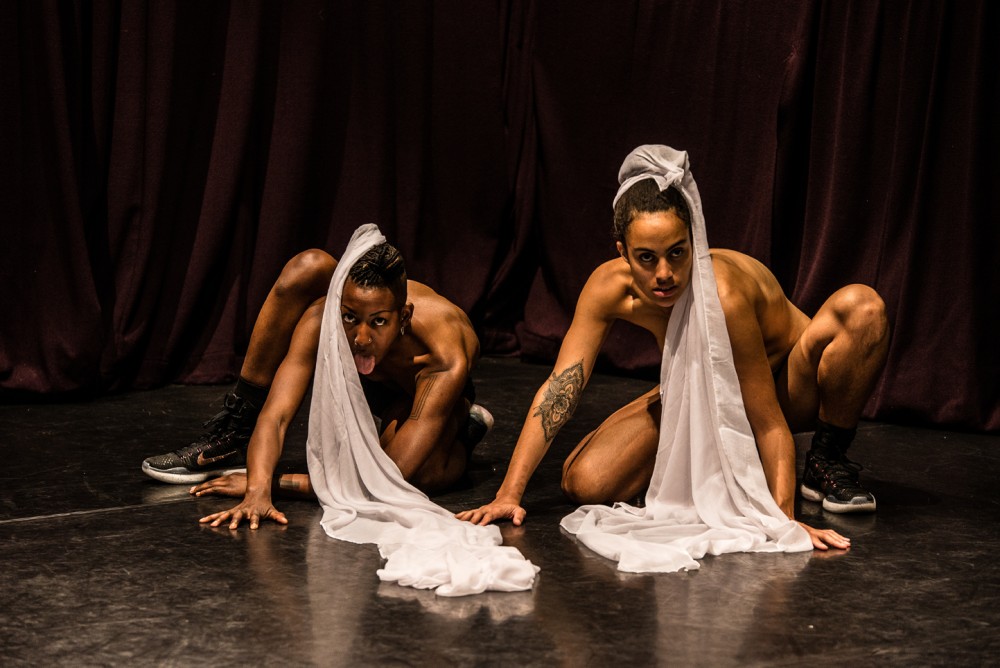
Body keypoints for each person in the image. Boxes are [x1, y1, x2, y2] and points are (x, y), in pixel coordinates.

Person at [457, 146, 889, 551]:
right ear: (622, 252)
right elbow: (560, 389)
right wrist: (508, 494)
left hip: (785, 389)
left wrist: (781, 521)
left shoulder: (723, 294)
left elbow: (770, 423)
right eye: (647, 258)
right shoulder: (609, 288)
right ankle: (726, 457)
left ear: (694, 241)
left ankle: (824, 461)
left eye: (677, 253)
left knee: (863, 308)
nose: (664, 274)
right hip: (699, 394)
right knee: (585, 483)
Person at [142, 240, 492, 529]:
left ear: (404, 318)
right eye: (351, 318)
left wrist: (273, 482)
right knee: (308, 266)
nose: (361, 338)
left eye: (379, 322)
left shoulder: (444, 358)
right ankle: (232, 433)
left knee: (416, 482)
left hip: (417, 395)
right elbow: (276, 415)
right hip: (372, 383)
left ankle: (464, 426)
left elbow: (382, 480)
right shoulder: (322, 318)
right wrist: (256, 491)